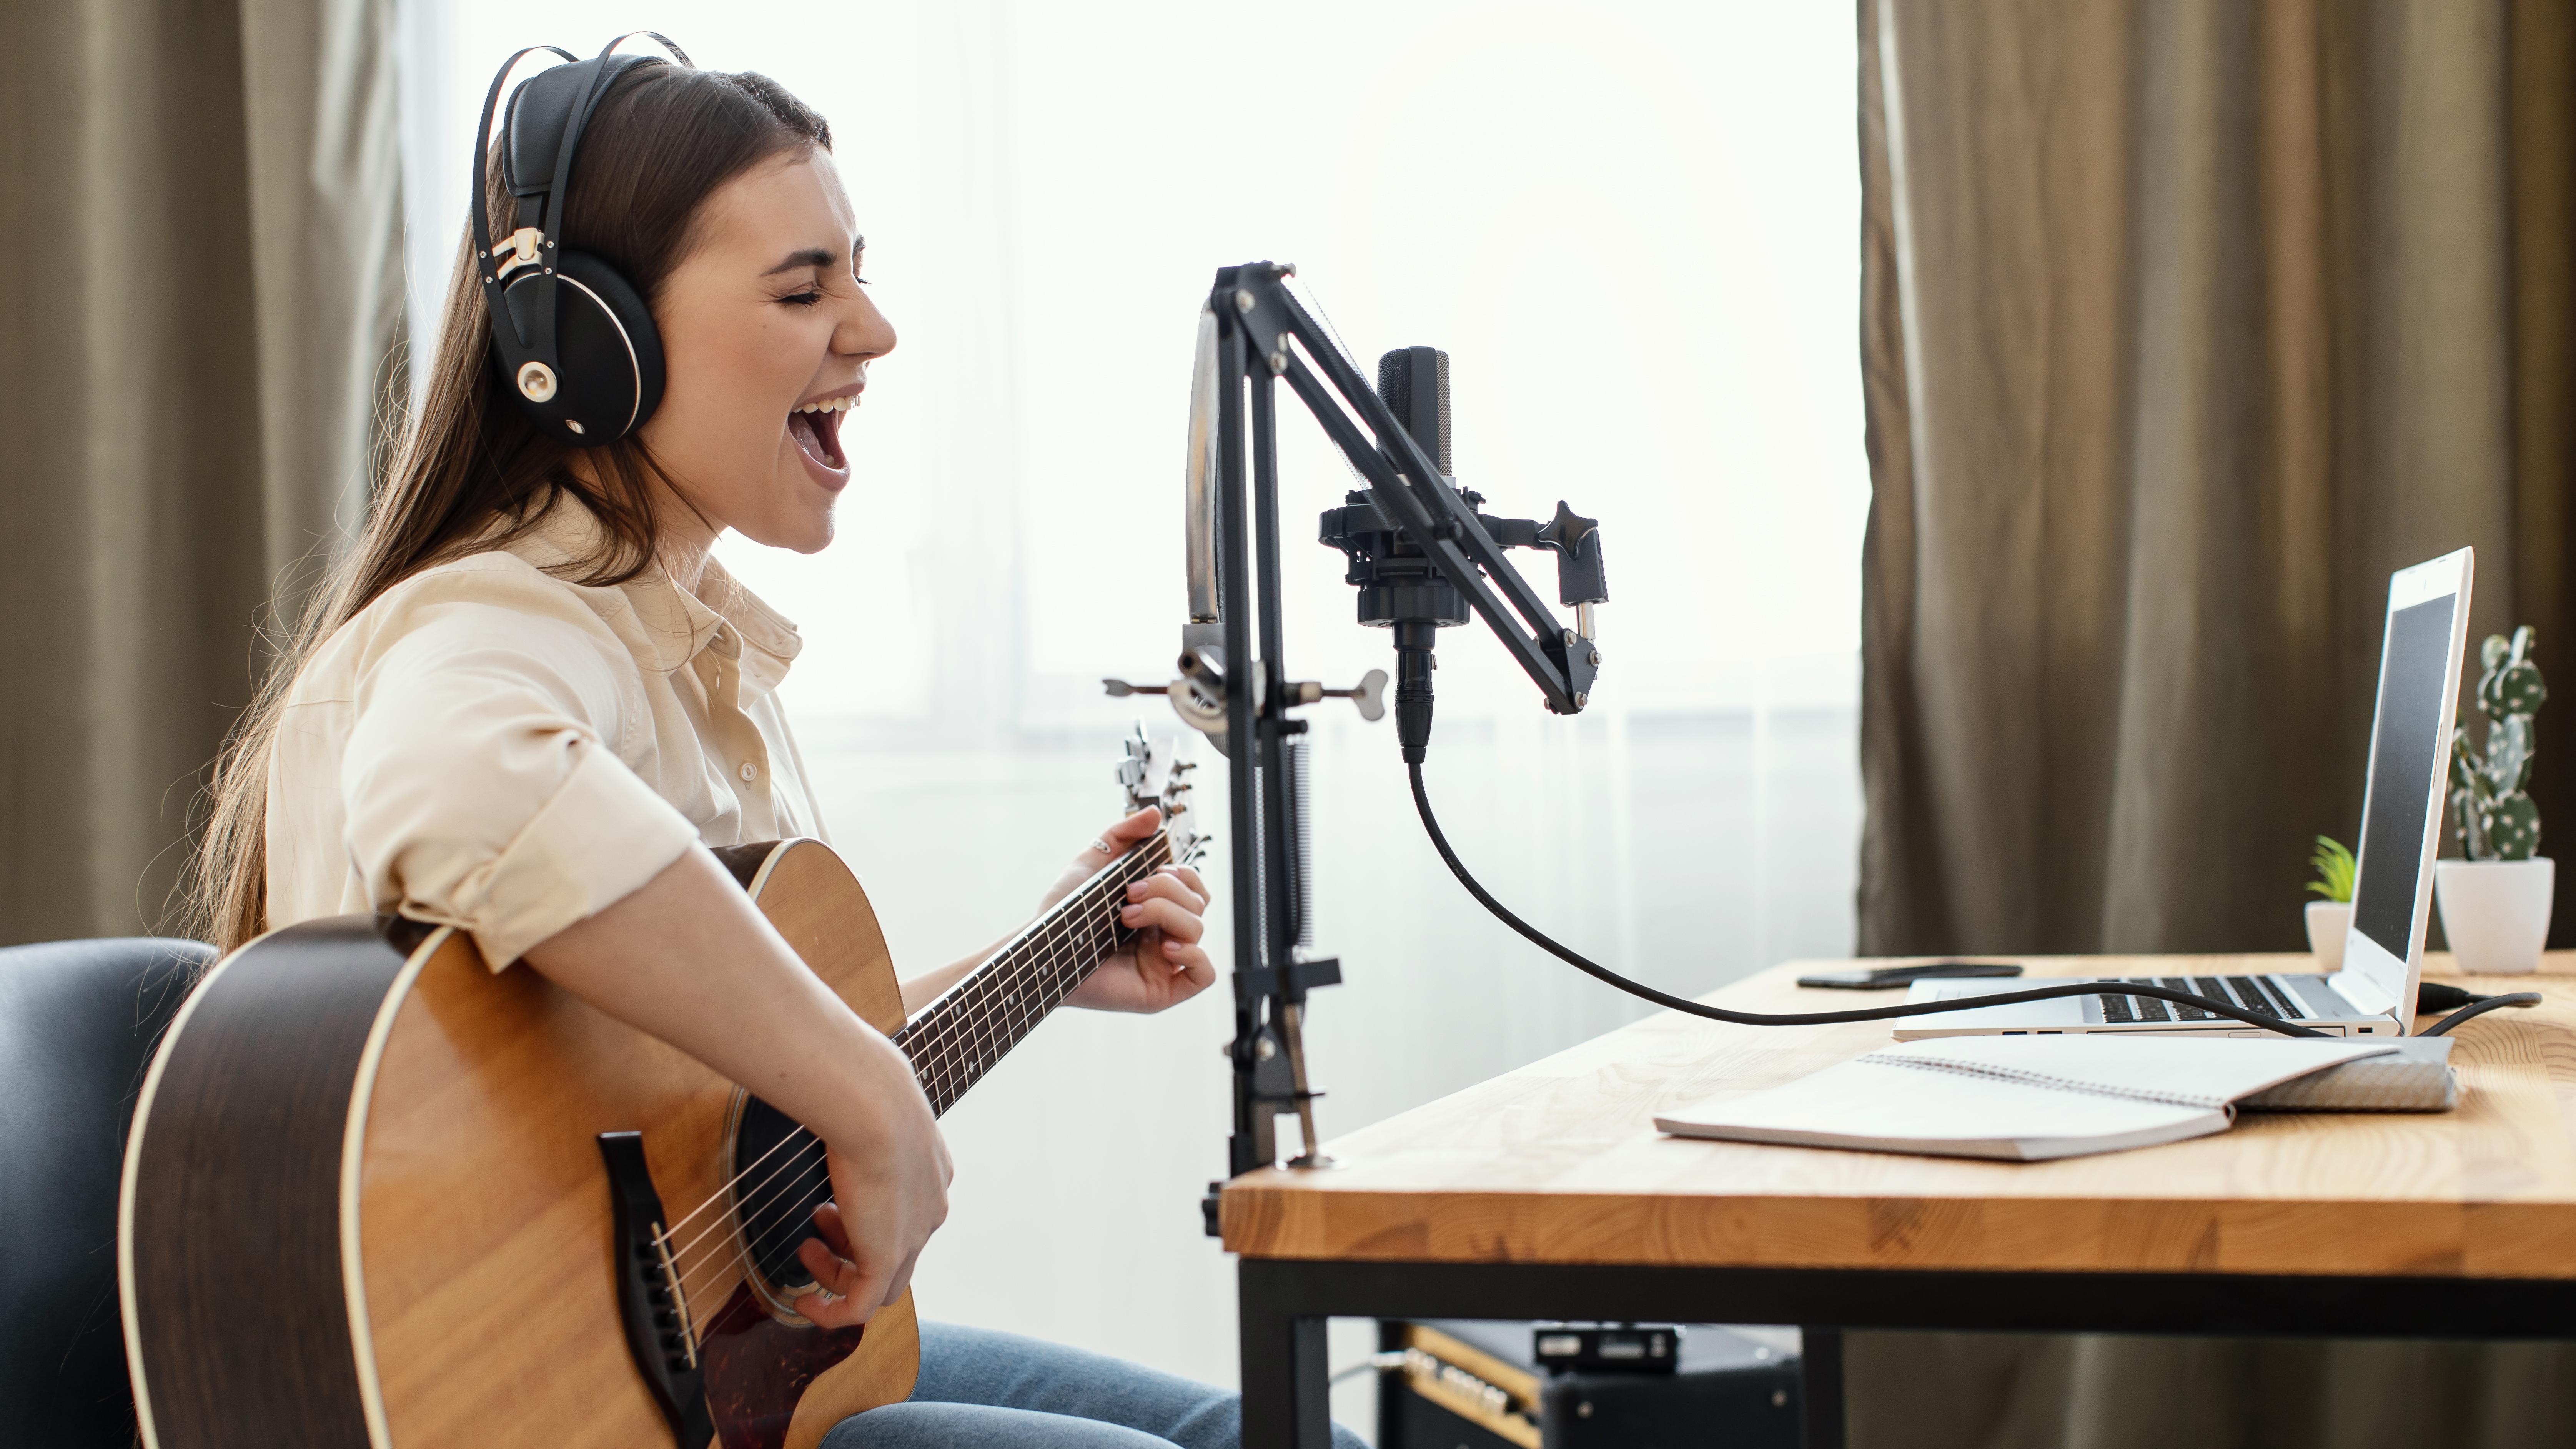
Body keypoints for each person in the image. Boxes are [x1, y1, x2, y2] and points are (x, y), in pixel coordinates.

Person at [186, 52, 1363, 1449]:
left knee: (1264, 1430)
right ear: (599, 342)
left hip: (698, 1374)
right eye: (803, 290)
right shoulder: (502, 618)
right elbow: (456, 785)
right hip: (535, 1402)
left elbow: (706, 1090)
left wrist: (1037, 960)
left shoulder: (674, 642)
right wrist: (867, 1095)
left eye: (855, 272)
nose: (871, 329)